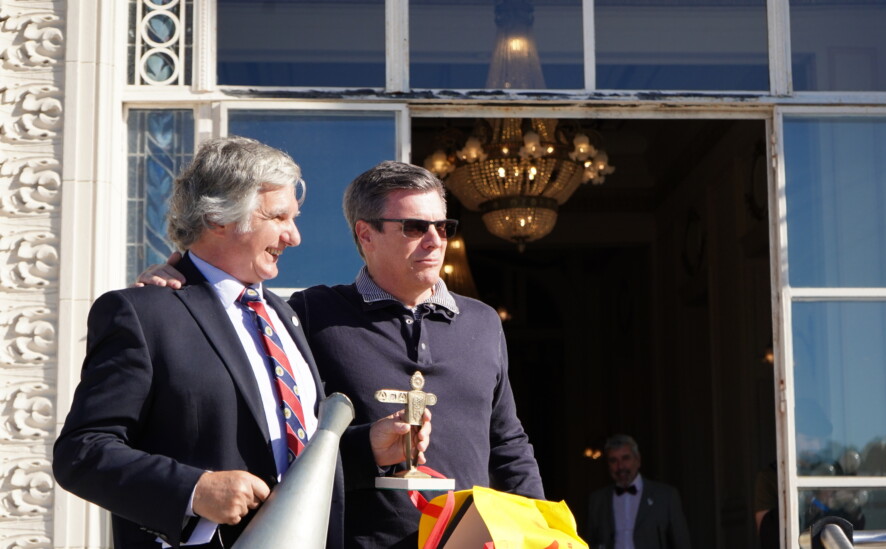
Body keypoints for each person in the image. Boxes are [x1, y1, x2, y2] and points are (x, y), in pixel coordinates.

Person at [137, 160, 544, 548]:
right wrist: (183, 284)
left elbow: (508, 442)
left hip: (469, 542)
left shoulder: (483, 322)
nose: (435, 240)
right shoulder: (308, 315)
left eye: (443, 226)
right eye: (415, 227)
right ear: (366, 234)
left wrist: (538, 530)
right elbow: (281, 439)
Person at [54, 137, 427, 549]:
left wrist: (367, 449)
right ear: (217, 217)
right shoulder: (143, 313)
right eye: (278, 217)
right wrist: (195, 490)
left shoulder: (285, 316)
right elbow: (81, 453)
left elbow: (288, 463)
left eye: (293, 218)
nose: (294, 237)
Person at [586, 434, 691, 549]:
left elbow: (681, 543)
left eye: (625, 458)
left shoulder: (665, 496)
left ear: (638, 460)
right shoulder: (598, 500)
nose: (620, 466)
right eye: (613, 460)